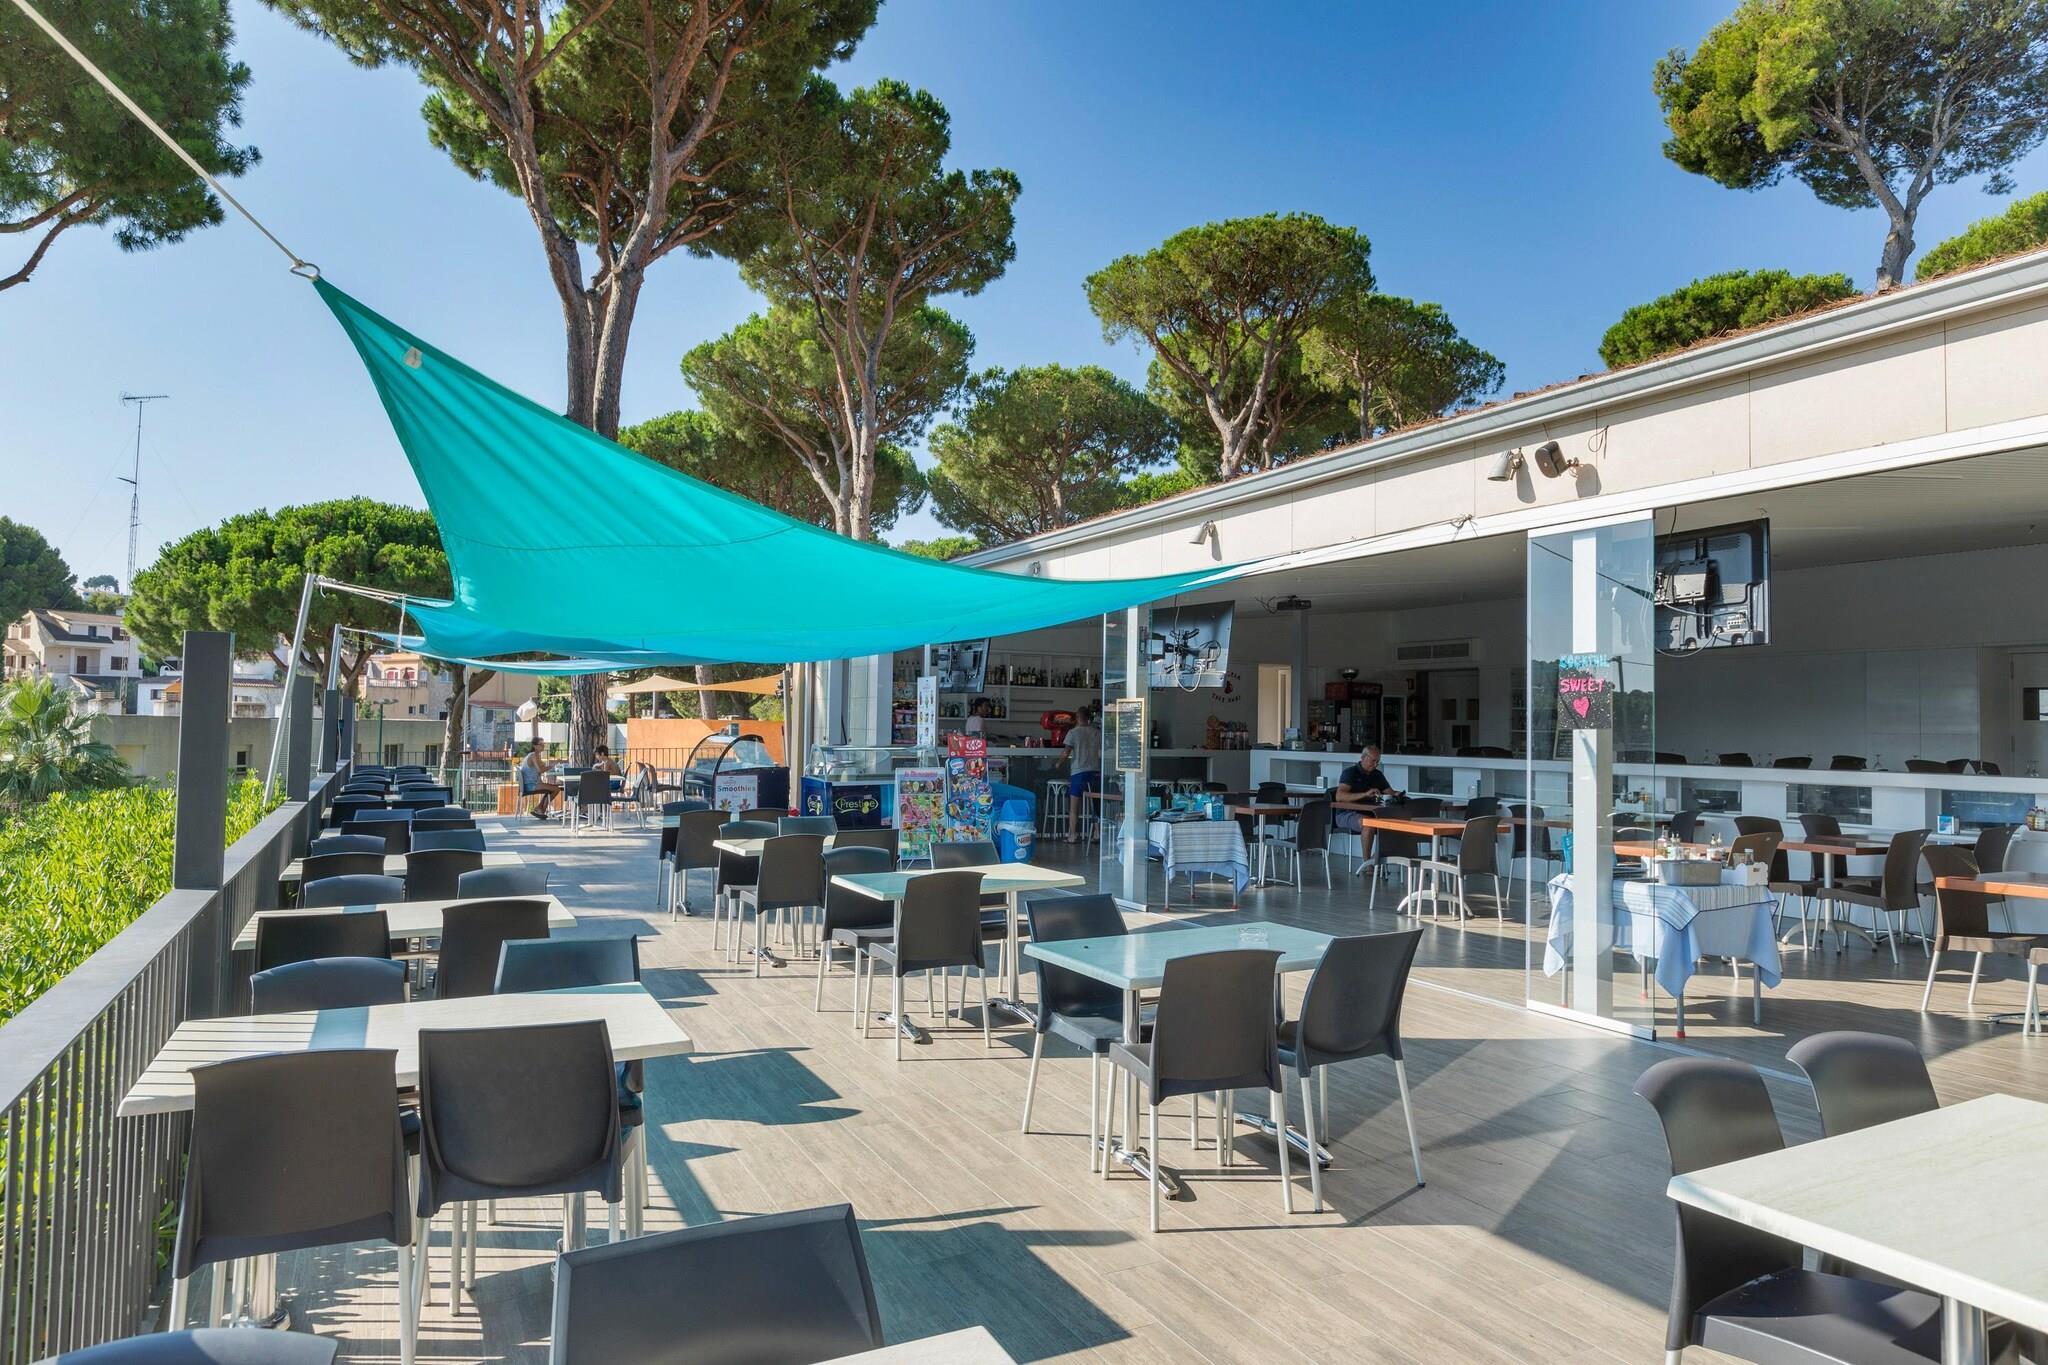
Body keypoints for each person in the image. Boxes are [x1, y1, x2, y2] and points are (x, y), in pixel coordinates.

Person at [1064, 705, 1102, 841]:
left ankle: (1073, 835)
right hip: (1095, 771)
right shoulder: (1097, 732)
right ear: (1089, 718)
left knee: (1074, 806)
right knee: (1095, 804)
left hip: (1078, 772)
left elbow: (1066, 752)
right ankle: (1097, 833)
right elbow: (1105, 747)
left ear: (1077, 717)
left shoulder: (1073, 733)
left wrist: (1057, 763)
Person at [518, 740, 561, 820]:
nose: (543, 745)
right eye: (540, 744)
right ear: (534, 746)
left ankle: (539, 808)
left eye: (543, 744)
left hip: (529, 784)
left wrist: (550, 765)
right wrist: (552, 765)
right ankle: (541, 810)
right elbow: (540, 770)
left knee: (554, 788)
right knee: (556, 789)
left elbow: (541, 768)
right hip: (530, 785)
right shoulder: (533, 755)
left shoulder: (535, 755)